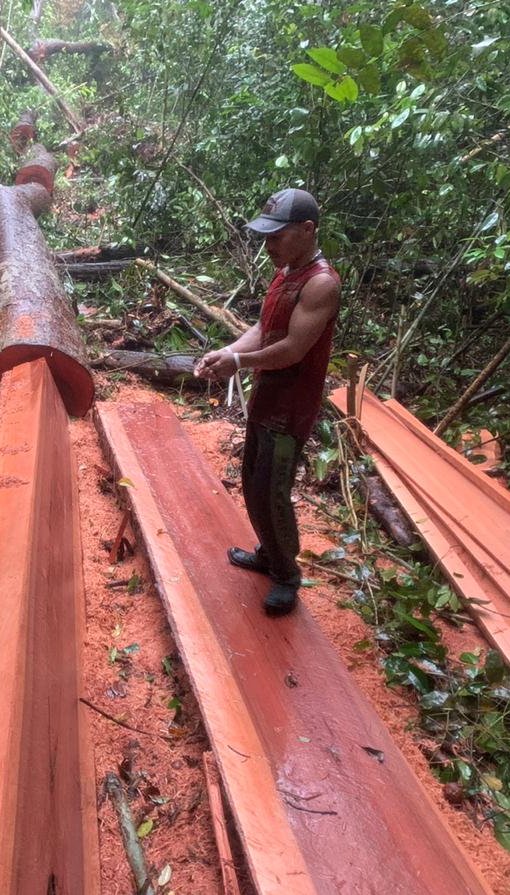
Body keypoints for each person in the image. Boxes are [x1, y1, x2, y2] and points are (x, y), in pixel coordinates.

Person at [195, 187, 340, 616]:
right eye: (266, 237)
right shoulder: (286, 273)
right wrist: (229, 351)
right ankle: (268, 554)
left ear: (307, 230)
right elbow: (264, 328)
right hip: (267, 397)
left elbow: (294, 348)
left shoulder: (320, 284)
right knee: (253, 483)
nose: (268, 245)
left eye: (277, 236)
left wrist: (238, 362)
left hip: (290, 405)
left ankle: (286, 575)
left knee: (273, 491)